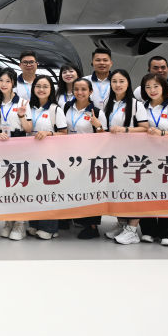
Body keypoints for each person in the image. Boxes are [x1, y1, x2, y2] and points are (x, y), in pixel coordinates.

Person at [115, 73, 168, 246]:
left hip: (167, 158)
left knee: (166, 194)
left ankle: (167, 233)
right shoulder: (139, 107)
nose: (152, 90)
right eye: (148, 87)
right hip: (143, 158)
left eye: (156, 86)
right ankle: (148, 230)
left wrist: (162, 133)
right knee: (144, 193)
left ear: (164, 88)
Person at [98, 69, 147, 242]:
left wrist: (124, 129)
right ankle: (122, 224)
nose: (118, 85)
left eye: (121, 81)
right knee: (118, 190)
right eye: (114, 81)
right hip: (113, 153)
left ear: (128, 83)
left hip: (132, 154)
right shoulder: (107, 103)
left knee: (133, 191)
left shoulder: (136, 104)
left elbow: (145, 128)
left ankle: (132, 229)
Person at [0, 69, 30, 241]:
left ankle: (20, 223)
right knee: (5, 185)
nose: (4, 84)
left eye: (7, 81)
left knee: (19, 184)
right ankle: (8, 221)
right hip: (1, 146)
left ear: (13, 82)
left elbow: (28, 128)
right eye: (1, 80)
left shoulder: (22, 102)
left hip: (19, 145)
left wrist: (21, 116)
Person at [26, 75, 68, 240]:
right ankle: (34, 224)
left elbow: (64, 133)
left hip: (50, 158)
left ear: (51, 90)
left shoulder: (55, 110)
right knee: (33, 190)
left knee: (48, 191)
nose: (41, 89)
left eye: (45, 86)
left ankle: (49, 228)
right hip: (30, 156)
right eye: (38, 86)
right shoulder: (28, 107)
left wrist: (49, 133)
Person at [64, 78, 105, 239]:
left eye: (83, 89)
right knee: (75, 188)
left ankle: (92, 226)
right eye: (76, 89)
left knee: (90, 190)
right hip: (70, 155)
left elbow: (104, 136)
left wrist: (98, 125)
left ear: (90, 92)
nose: (79, 92)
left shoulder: (97, 111)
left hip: (90, 156)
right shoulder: (67, 107)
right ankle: (78, 219)